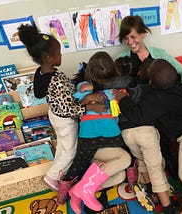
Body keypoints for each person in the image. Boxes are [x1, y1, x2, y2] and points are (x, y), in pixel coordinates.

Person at [18, 24, 105, 192]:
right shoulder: (55, 80)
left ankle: (57, 171)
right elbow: (67, 109)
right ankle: (51, 178)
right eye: (58, 52)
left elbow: (62, 97)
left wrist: (76, 90)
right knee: (70, 150)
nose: (61, 54)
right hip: (65, 119)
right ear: (47, 58)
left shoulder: (42, 73)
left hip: (55, 114)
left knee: (63, 147)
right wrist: (86, 107)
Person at [113, 59, 182, 214]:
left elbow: (137, 115)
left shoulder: (155, 97)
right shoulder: (178, 87)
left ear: (151, 82)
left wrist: (123, 101)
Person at [57, 51, 132, 213]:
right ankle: (81, 190)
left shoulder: (111, 89)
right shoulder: (82, 87)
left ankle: (78, 190)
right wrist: (87, 99)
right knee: (124, 159)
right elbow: (76, 102)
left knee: (119, 176)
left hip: (105, 139)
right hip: (97, 140)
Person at [116, 15, 182, 86]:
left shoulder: (160, 54)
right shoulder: (120, 59)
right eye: (126, 38)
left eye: (133, 37)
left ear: (142, 34)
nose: (130, 42)